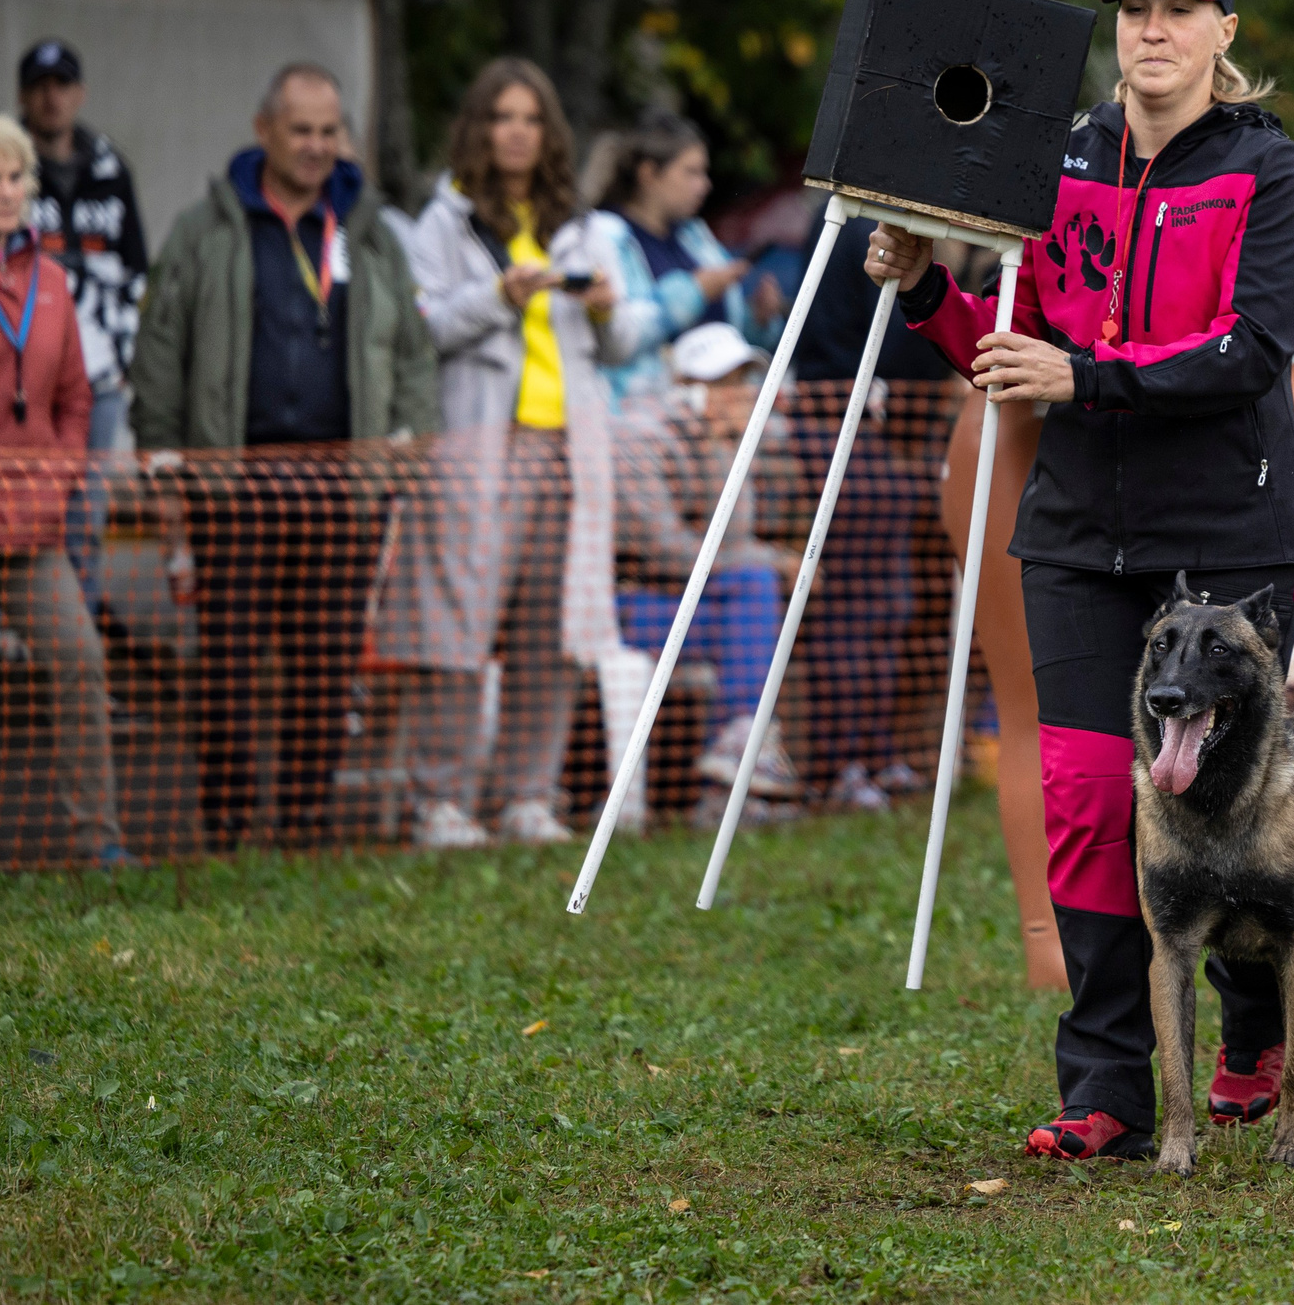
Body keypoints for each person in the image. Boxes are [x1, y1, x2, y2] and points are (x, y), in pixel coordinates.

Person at [865, 0, 1294, 1161]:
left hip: (1229, 532)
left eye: (1180, 9)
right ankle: (1109, 1088)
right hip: (1076, 535)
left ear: (1227, 33)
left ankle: (1249, 1039)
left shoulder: (1267, 171)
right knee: (1083, 796)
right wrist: (922, 290)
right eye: (1133, 9)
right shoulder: (1051, 154)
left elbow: (1252, 352)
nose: (1152, 29)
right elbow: (1007, 352)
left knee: (1225, 802)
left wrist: (1090, 374)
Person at [131, 64, 438, 851]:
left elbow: (411, 349)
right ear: (264, 129)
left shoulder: (370, 233)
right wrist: (162, 456)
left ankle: (304, 817)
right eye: (300, 130)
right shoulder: (205, 228)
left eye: (329, 131)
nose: (316, 146)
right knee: (229, 656)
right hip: (234, 481)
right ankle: (227, 819)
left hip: (345, 484)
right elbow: (162, 348)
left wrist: (408, 438)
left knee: (326, 656)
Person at [376, 58, 635, 849]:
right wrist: (500, 297)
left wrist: (604, 306)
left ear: (547, 132)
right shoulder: (444, 220)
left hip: (571, 449)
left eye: (529, 118)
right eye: (501, 117)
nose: (515, 131)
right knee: (455, 624)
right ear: (479, 129)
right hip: (478, 445)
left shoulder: (583, 224)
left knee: (551, 628)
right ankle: (443, 803)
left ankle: (530, 795)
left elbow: (622, 343)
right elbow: (418, 327)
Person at [0, 110, 127, 864]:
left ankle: (95, 841)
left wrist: (59, 470)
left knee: (79, 657)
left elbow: (77, 398)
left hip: (25, 522)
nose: (4, 193)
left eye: (14, 178)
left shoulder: (54, 282)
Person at [790, 209, 961, 810]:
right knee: (855, 609)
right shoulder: (864, 220)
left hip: (880, 429)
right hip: (845, 421)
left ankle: (873, 751)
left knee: (890, 606)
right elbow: (893, 342)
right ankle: (840, 763)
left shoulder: (863, 214)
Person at [610, 322, 804, 818]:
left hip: (688, 606)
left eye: (744, 380)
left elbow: (733, 540)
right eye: (729, 382)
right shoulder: (640, 436)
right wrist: (771, 561)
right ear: (691, 389)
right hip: (624, 605)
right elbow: (662, 548)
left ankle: (730, 774)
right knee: (756, 592)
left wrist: (721, 448)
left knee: (752, 612)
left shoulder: (723, 436)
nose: (743, 394)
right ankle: (737, 753)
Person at [587, 111, 784, 402]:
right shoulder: (604, 236)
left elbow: (723, 337)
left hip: (715, 421)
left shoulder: (695, 236)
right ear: (648, 174)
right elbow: (615, 337)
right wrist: (694, 292)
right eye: (691, 172)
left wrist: (758, 319)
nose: (705, 185)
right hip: (638, 420)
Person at [16, 40, 146, 454]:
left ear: (80, 93)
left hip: (100, 372)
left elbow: (136, 268)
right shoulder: (2, 174)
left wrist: (124, 352)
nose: (51, 97)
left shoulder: (112, 171)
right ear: (22, 97)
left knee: (88, 510)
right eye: (40, 86)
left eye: (62, 84)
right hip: (24, 373)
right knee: (27, 503)